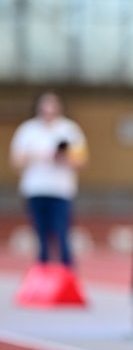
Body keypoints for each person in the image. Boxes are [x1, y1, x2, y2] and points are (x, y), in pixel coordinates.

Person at [10, 92, 88, 267]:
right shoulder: (27, 130)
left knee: (62, 234)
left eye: (53, 105)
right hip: (35, 189)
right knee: (40, 235)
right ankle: (43, 274)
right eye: (45, 105)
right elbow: (16, 161)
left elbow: (82, 161)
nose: (49, 110)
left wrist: (63, 158)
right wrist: (39, 156)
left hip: (61, 190)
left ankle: (67, 275)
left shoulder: (70, 130)